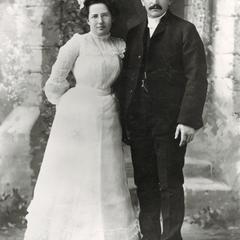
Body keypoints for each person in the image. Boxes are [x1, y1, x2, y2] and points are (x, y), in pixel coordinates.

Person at [23, 0, 140, 239]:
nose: (100, 21)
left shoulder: (120, 46)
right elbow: (55, 81)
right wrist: (67, 104)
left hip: (108, 113)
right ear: (87, 19)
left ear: (112, 18)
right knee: (75, 173)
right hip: (77, 115)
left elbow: (129, 79)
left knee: (106, 173)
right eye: (95, 16)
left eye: (104, 16)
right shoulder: (77, 43)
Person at [115, 0, 208, 239]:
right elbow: (127, 80)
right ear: (142, 1)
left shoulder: (184, 30)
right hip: (139, 122)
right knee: (145, 185)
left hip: (170, 123)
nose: (155, 1)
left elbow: (196, 77)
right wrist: (126, 120)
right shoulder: (135, 33)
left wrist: (187, 119)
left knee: (169, 184)